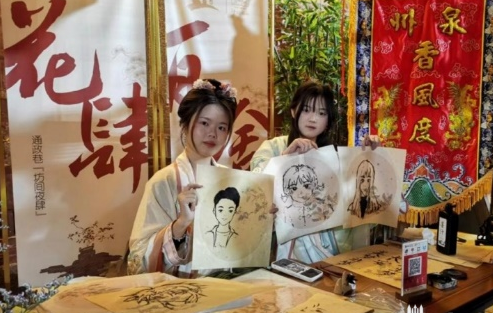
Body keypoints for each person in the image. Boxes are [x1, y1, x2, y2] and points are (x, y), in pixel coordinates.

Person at [250, 80, 380, 264]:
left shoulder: (335, 158)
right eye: (306, 110)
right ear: (293, 111)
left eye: (321, 113)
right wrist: (286, 157)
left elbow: (359, 204)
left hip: (327, 248)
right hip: (281, 247)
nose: (313, 118)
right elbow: (255, 190)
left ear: (328, 121)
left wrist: (370, 157)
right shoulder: (273, 147)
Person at [128, 78, 237, 276]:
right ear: (185, 125)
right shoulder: (164, 181)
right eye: (204, 123)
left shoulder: (230, 179)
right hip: (179, 289)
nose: (212, 133)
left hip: (224, 287)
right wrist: (180, 225)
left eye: (222, 127)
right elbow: (138, 259)